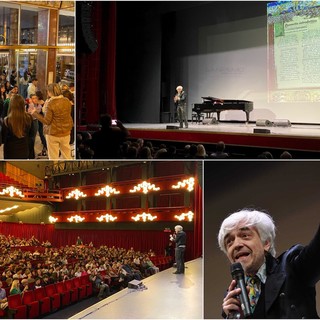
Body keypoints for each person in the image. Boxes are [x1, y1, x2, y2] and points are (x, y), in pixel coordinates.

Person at [218, 208, 320, 319]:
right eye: (229, 241)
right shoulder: (232, 299)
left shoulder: (291, 267)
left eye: (245, 235)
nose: (236, 244)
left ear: (266, 243)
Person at [28, 83, 73, 160]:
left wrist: (35, 114)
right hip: (66, 132)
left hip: (53, 133)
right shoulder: (66, 101)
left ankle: (55, 171)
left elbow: (47, 121)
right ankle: (68, 170)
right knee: (67, 155)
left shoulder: (50, 103)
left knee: (53, 157)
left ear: (50, 92)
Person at [1, 94, 34, 159]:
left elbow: (3, 139)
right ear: (23, 105)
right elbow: (31, 136)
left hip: (10, 152)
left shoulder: (7, 120)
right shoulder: (29, 118)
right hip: (24, 150)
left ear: (11, 106)